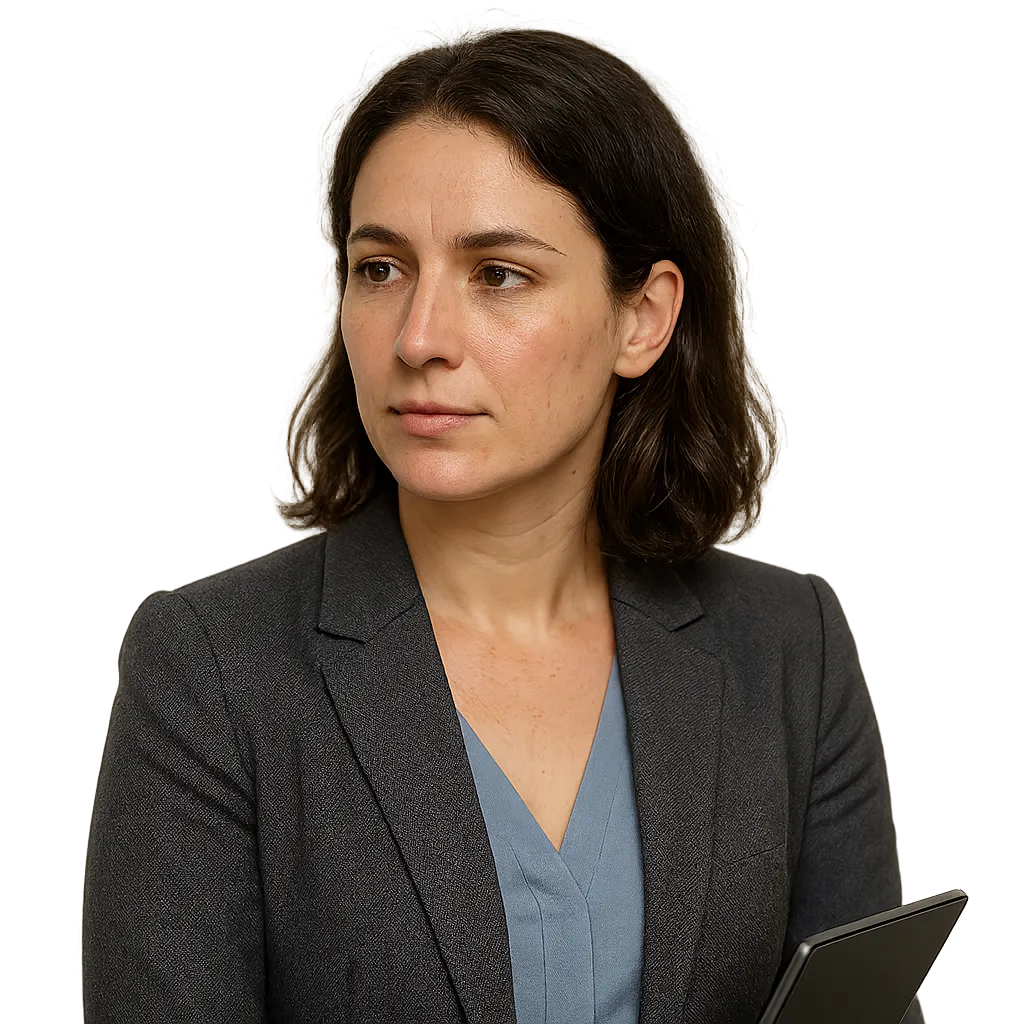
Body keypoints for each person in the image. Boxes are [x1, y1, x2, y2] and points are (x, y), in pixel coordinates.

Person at [82, 24, 923, 1024]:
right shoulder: (213, 668)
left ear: (643, 318)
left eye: (498, 274)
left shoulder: (789, 649)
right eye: (380, 268)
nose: (418, 338)